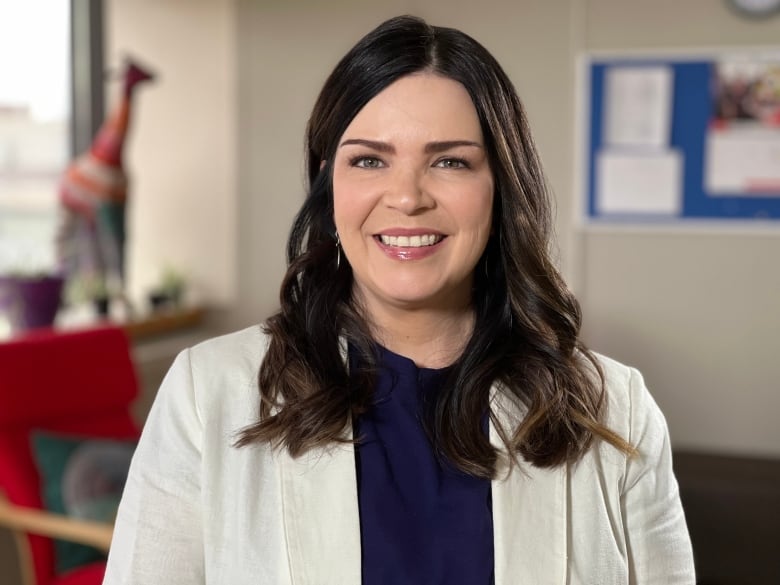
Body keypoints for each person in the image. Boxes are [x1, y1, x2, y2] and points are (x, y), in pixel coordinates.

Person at [103, 15, 695, 585]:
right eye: (369, 160)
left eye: (449, 161)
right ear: (327, 183)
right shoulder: (207, 394)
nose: (407, 198)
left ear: (501, 188)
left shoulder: (618, 410)